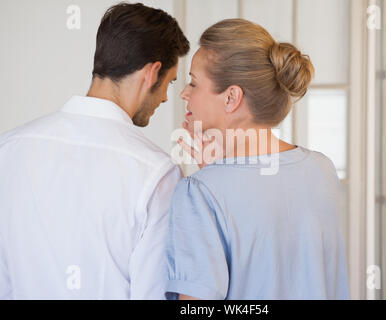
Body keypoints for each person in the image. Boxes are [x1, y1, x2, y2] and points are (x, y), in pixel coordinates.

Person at [0, 3, 189, 299]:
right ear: (152, 73)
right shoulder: (158, 173)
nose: (166, 97)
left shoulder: (9, 149)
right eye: (170, 82)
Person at [166, 18, 349, 300]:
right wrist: (215, 174)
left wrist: (210, 182)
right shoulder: (322, 169)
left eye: (193, 82)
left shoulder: (200, 193)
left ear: (231, 98)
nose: (184, 93)